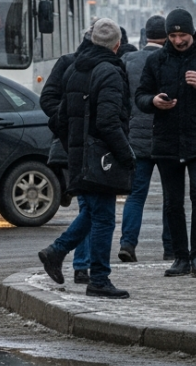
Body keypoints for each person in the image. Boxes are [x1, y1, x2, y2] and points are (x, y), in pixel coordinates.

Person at [38, 18, 136, 298]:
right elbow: (108, 122)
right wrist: (126, 154)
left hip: (80, 155)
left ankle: (56, 252)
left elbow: (58, 118)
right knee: (103, 218)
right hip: (101, 157)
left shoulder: (74, 68)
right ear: (118, 45)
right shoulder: (110, 71)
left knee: (92, 213)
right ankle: (99, 279)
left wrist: (73, 145)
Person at [136, 8, 196, 278]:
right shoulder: (157, 60)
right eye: (173, 35)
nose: (178, 40)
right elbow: (141, 96)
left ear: (192, 33)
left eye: (183, 35)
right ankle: (180, 257)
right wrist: (154, 101)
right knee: (173, 201)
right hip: (167, 139)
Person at [40, 33, 96, 284]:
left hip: (91, 148)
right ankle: (79, 264)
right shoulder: (68, 63)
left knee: (92, 208)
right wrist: (66, 124)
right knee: (90, 207)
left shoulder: (108, 66)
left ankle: (82, 263)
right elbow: (48, 99)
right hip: (72, 148)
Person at [119, 16, 170, 262]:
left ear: (145, 35)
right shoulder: (171, 61)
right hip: (167, 137)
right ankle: (171, 248)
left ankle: (128, 243)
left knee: (136, 194)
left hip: (136, 137)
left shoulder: (129, 60)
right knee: (172, 195)